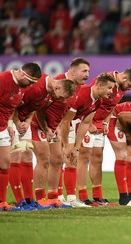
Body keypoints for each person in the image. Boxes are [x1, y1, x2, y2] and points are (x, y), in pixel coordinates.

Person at [76, 68, 131, 206]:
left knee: (98, 158)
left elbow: (112, 106)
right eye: (130, 85)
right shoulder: (105, 80)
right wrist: (88, 123)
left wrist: (105, 122)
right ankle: (82, 196)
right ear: (124, 78)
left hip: (100, 124)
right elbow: (91, 101)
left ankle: (97, 196)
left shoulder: (121, 88)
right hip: (87, 122)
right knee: (84, 157)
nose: (130, 89)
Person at [9, 74, 76, 210]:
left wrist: (50, 128)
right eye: (61, 97)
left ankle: (51, 197)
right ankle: (37, 198)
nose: (60, 100)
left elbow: (38, 109)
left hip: (33, 124)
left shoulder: (50, 90)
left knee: (56, 160)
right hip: (24, 124)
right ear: (57, 87)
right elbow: (16, 103)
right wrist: (14, 122)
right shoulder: (40, 87)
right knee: (41, 159)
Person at [32, 57, 90, 208]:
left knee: (57, 160)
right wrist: (47, 128)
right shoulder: (58, 84)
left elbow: (64, 114)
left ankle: (54, 197)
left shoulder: (77, 88)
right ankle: (38, 198)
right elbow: (40, 107)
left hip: (54, 128)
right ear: (73, 71)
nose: (87, 75)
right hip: (40, 126)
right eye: (84, 71)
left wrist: (56, 128)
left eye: (88, 71)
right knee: (44, 161)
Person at [59, 73, 116, 207]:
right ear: (99, 86)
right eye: (109, 88)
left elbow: (85, 123)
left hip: (72, 123)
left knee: (72, 160)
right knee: (58, 160)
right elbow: (66, 120)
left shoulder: (99, 101)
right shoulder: (83, 94)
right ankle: (57, 196)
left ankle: (72, 199)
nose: (111, 92)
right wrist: (66, 144)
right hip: (59, 122)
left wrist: (76, 148)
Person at [0, 62, 42, 211]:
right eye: (30, 81)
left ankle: (2, 202)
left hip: (4, 128)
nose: (30, 85)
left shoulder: (22, 88)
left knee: (5, 164)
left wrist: (10, 125)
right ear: (23, 74)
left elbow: (12, 108)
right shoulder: (4, 79)